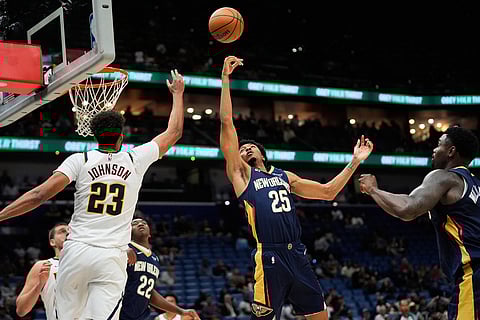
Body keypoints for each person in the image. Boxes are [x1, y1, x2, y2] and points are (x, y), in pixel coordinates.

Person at [0, 69, 185, 319]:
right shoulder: (135, 159)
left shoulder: (80, 160)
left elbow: (38, 195)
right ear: (122, 136)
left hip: (76, 253)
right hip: (111, 257)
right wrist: (178, 94)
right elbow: (173, 132)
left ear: (95, 134)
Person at [219, 56, 374, 320]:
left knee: (319, 317)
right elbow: (226, 123)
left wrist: (354, 162)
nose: (245, 148)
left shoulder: (285, 176)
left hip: (298, 253)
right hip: (269, 255)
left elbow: (328, 193)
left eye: (251, 146)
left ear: (262, 153)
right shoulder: (242, 176)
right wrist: (225, 79)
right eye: (242, 148)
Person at [359, 126, 480, 320]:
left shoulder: (444, 177)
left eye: (439, 144)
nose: (434, 149)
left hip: (473, 275)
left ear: (451, 151)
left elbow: (408, 208)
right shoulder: (476, 184)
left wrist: (374, 190)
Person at [120, 218, 199, 320]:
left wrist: (181, 311)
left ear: (150, 234)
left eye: (144, 223)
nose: (140, 224)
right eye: (135, 224)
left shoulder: (154, 259)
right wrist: (120, 252)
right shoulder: (123, 248)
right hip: (118, 313)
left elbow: (149, 293)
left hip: (139, 316)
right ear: (128, 231)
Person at [16, 223, 68, 319]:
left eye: (71, 231)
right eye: (62, 231)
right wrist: (40, 285)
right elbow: (21, 310)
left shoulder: (88, 264)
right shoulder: (43, 266)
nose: (68, 233)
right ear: (52, 242)